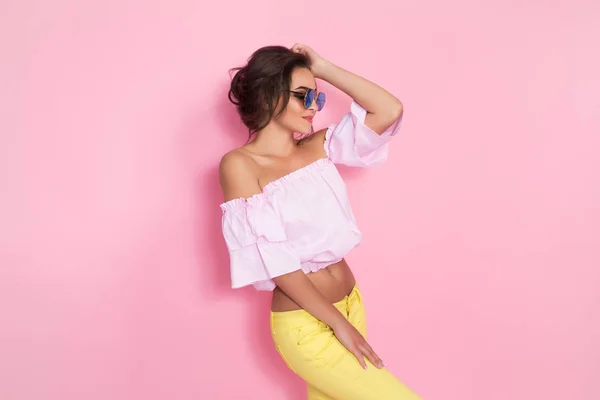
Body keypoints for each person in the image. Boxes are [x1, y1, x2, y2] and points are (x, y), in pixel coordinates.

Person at [218, 43, 421, 400]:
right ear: (268, 95)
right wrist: (339, 326)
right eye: (303, 96)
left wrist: (322, 66)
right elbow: (276, 263)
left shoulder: (319, 146)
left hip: (351, 306)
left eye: (318, 98)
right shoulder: (240, 165)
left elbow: (389, 109)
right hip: (307, 326)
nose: (313, 106)